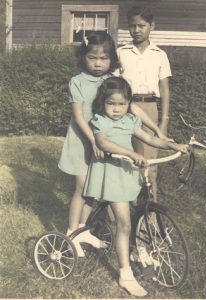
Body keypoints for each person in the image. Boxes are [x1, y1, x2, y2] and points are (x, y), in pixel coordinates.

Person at [58, 32, 170, 257]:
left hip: (104, 141)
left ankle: (83, 228)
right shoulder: (77, 81)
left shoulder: (110, 81)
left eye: (104, 59)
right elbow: (79, 117)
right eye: (92, 58)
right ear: (83, 57)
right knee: (81, 188)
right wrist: (93, 141)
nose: (98, 64)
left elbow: (133, 108)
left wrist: (156, 128)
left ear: (112, 59)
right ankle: (72, 233)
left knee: (92, 191)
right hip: (83, 141)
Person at [83, 76, 188, 297]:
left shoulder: (130, 120)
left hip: (128, 173)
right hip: (111, 175)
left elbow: (150, 139)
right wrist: (131, 153)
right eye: (111, 103)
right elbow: (103, 142)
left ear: (128, 103)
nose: (116, 109)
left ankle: (134, 252)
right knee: (124, 224)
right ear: (103, 103)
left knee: (136, 213)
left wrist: (172, 144)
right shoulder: (100, 120)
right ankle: (125, 274)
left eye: (121, 104)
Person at [117, 5, 172, 201]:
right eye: (132, 26)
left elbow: (164, 89)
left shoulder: (159, 54)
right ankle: (117, 214)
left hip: (149, 108)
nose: (137, 30)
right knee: (123, 161)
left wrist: (163, 122)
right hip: (123, 109)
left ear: (151, 26)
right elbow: (113, 86)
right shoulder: (121, 53)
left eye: (142, 25)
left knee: (149, 165)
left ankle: (150, 218)